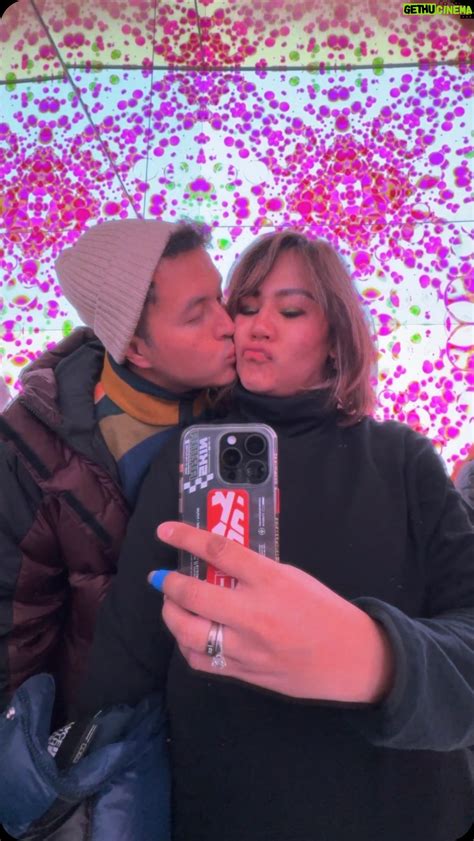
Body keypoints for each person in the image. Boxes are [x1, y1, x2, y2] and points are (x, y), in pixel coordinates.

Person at [76, 230, 474, 841]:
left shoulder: (403, 459)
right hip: (221, 812)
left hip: (404, 812)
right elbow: (127, 659)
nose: (256, 327)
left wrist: (376, 660)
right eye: (245, 306)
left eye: (290, 311)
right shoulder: (188, 459)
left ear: (336, 340)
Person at [0, 218, 235, 839]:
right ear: (135, 347)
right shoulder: (32, 452)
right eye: (197, 314)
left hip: (237, 717)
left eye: (221, 296)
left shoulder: (251, 410)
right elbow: (15, 631)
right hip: (111, 753)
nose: (229, 324)